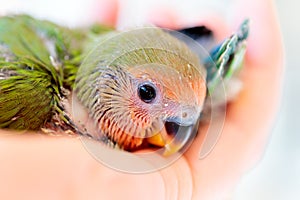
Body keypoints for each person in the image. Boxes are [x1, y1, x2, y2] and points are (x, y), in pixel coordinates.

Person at [0, 0, 283, 199]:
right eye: (146, 94)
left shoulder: (98, 40)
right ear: (106, 79)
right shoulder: (32, 98)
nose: (169, 139)